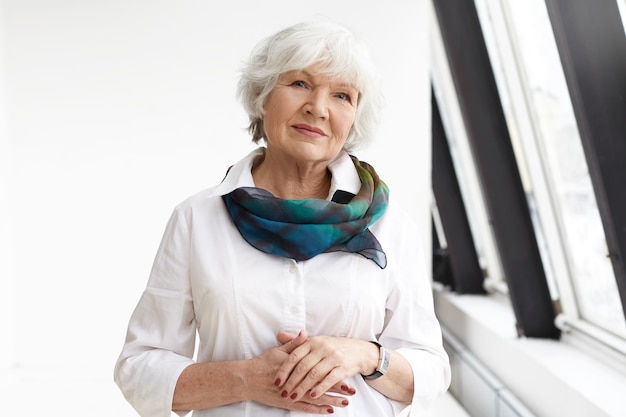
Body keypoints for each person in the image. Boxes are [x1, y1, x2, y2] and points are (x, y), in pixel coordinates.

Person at [114, 20, 451, 417]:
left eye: (341, 95)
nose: (318, 108)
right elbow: (138, 368)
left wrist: (363, 355)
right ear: (262, 96)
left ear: (355, 117)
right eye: (299, 84)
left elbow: (431, 371)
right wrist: (247, 378)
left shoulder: (392, 225)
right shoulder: (197, 218)